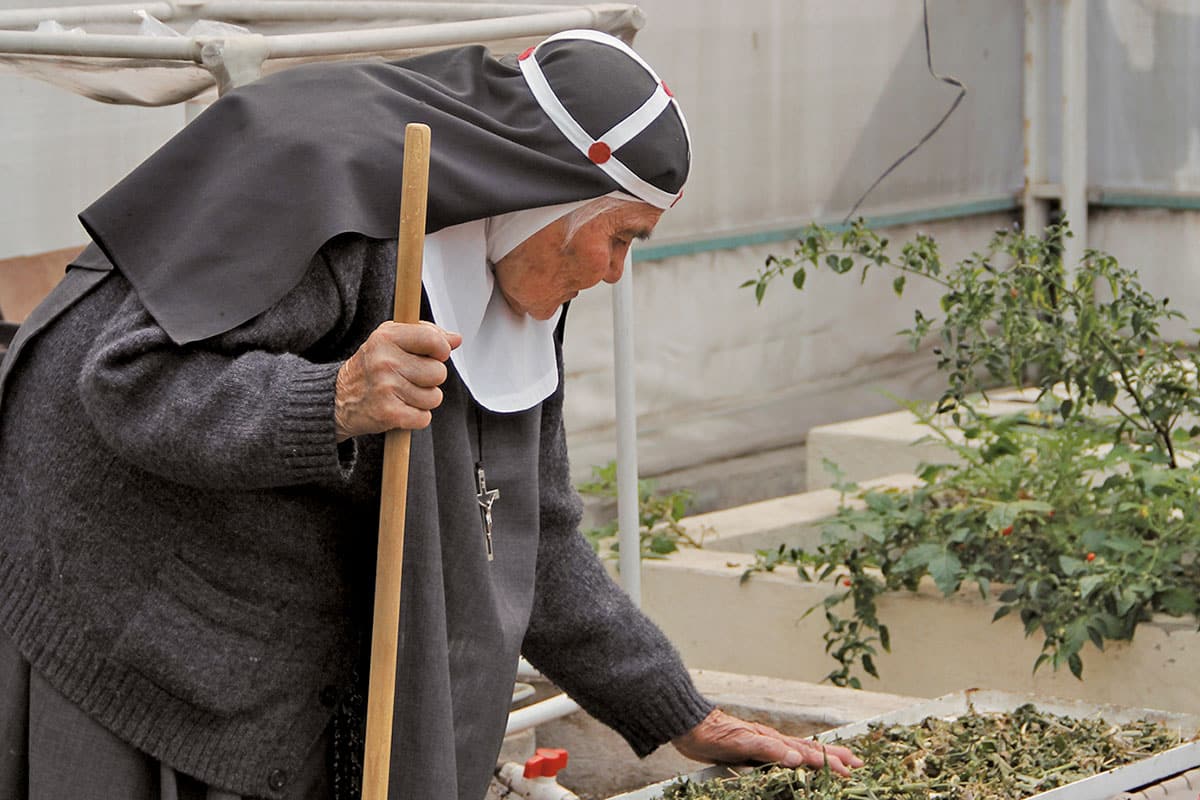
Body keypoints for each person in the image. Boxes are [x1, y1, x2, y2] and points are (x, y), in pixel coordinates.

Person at [0, 29, 861, 800]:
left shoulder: (515, 273)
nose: (614, 271)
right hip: (124, 593)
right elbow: (131, 383)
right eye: (622, 237)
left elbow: (531, 533)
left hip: (256, 610)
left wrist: (679, 713)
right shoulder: (337, 197)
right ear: (546, 194)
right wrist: (332, 398)